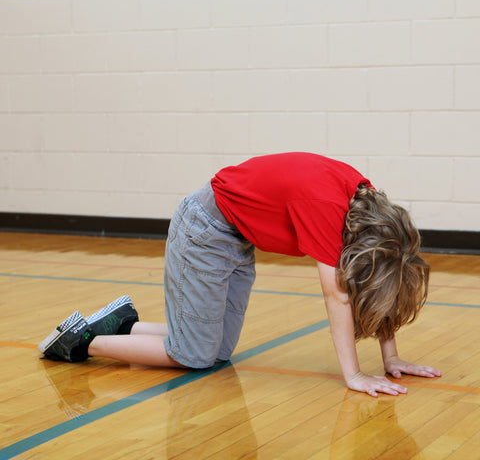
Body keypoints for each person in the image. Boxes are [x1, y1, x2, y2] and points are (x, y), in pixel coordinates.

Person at [38, 152, 441, 397]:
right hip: (205, 231)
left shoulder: (369, 211)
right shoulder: (327, 206)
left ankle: (124, 326)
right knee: (193, 355)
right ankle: (83, 340)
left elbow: (378, 280)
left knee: (217, 352)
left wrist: (391, 356)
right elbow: (337, 296)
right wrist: (352, 374)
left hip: (235, 238)